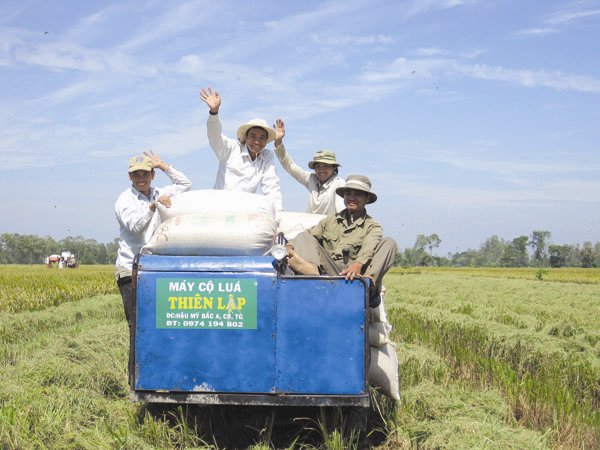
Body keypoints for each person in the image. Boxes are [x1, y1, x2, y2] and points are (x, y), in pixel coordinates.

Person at [285, 175, 397, 307]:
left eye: (357, 194)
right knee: (304, 236)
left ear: (366, 199)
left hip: (357, 276)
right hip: (332, 273)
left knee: (389, 242)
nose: (351, 198)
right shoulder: (330, 220)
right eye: (348, 193)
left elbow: (369, 247)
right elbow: (309, 234)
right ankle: (310, 273)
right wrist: (289, 246)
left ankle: (367, 283)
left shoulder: (372, 226)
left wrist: (358, 265)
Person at [114, 150, 192, 325]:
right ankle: (135, 354)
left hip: (155, 266)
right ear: (130, 176)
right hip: (131, 269)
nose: (141, 178)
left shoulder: (159, 192)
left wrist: (164, 165)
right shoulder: (124, 200)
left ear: (152, 175)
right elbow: (134, 227)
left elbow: (186, 184)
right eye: (136, 174)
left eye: (145, 173)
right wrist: (153, 207)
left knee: (157, 320)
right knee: (136, 322)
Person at [199, 86, 283, 212]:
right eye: (253, 136)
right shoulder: (231, 148)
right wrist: (214, 113)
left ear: (266, 141)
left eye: (261, 138)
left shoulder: (267, 157)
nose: (257, 141)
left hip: (244, 213)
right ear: (245, 137)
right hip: (219, 209)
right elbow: (214, 136)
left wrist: (278, 214)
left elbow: (272, 187)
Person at [273, 121, 345, 214]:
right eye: (318, 166)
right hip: (310, 226)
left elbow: (342, 211)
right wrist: (278, 142)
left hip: (330, 226)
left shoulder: (339, 184)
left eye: (325, 166)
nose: (321, 170)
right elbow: (290, 166)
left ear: (334, 168)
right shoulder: (312, 179)